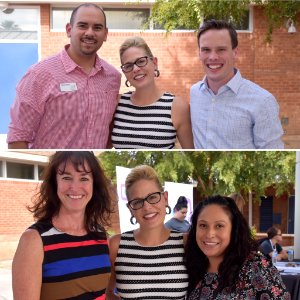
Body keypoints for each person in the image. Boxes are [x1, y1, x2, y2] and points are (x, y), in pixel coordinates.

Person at [7, 3, 121, 149]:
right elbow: (18, 137)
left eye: (97, 27)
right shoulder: (40, 74)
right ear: (69, 30)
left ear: (105, 34)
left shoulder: (113, 77)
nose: (90, 33)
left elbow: (108, 132)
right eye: (82, 26)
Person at [12, 151, 113, 299]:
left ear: (94, 185)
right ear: (55, 183)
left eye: (84, 178)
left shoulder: (100, 234)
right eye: (66, 177)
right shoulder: (34, 240)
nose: (75, 187)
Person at [190, 19, 284, 149]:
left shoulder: (263, 101)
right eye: (206, 49)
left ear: (235, 52)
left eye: (221, 49)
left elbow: (273, 151)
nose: (213, 57)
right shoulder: (195, 93)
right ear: (199, 53)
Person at [106, 165, 189, 299]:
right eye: (138, 202)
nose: (147, 207)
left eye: (152, 197)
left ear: (165, 198)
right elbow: (107, 293)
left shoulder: (186, 243)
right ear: (130, 209)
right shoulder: (116, 245)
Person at [185, 195, 290, 299]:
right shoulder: (190, 266)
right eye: (203, 225)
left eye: (219, 226)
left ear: (234, 229)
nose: (209, 234)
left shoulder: (255, 267)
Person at [111, 36, 194, 149]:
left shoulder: (177, 107)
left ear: (154, 63)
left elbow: (190, 151)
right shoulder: (118, 103)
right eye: (128, 66)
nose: (135, 69)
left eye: (141, 61)